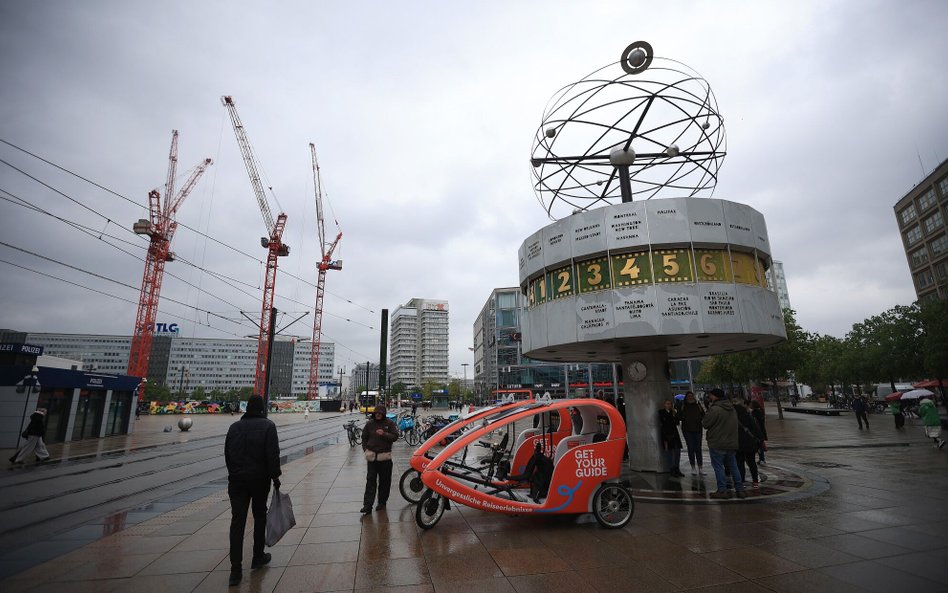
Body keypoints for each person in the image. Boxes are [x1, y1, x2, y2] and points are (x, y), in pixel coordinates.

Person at [224, 395, 282, 587]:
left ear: (247, 408)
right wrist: (275, 476)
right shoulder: (268, 426)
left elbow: (228, 453)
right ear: (261, 408)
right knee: (259, 516)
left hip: (237, 481)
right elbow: (272, 454)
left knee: (237, 521)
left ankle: (235, 570)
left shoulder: (234, 428)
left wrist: (234, 473)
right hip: (259, 479)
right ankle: (258, 556)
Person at [702, 389, 746, 499]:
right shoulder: (732, 408)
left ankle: (722, 491)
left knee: (718, 467)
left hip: (718, 442)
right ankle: (740, 489)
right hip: (731, 442)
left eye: (711, 395)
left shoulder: (715, 409)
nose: (709, 397)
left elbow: (705, 424)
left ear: (715, 396)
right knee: (733, 466)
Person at [361, 404, 399, 513]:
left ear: (383, 414)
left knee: (385, 482)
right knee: (370, 481)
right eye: (376, 413)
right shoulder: (369, 424)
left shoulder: (389, 423)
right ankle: (367, 505)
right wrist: (365, 450)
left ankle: (382, 502)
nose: (377, 414)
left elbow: (395, 436)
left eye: (380, 413)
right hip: (372, 458)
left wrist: (384, 434)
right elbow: (364, 437)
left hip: (385, 459)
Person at [734, 399, 764, 488]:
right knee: (751, 462)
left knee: (740, 463)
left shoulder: (733, 417)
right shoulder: (748, 415)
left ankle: (742, 481)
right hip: (750, 442)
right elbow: (756, 428)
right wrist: (761, 440)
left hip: (738, 442)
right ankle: (755, 481)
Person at [679, 391, 705, 475]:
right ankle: (693, 467)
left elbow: (703, 415)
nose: (690, 397)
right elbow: (679, 416)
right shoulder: (683, 406)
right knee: (690, 448)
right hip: (687, 430)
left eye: (691, 396)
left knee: (698, 448)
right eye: (688, 396)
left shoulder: (698, 405)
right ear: (686, 398)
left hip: (697, 429)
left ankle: (700, 467)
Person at [658, 399, 684, 477]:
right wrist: (671, 416)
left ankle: (677, 468)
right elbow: (665, 422)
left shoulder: (673, 412)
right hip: (667, 435)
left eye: (670, 404)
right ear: (664, 405)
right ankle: (672, 469)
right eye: (667, 403)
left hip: (675, 434)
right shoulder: (661, 412)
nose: (669, 405)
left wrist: (674, 414)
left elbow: (677, 423)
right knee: (669, 453)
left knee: (677, 452)